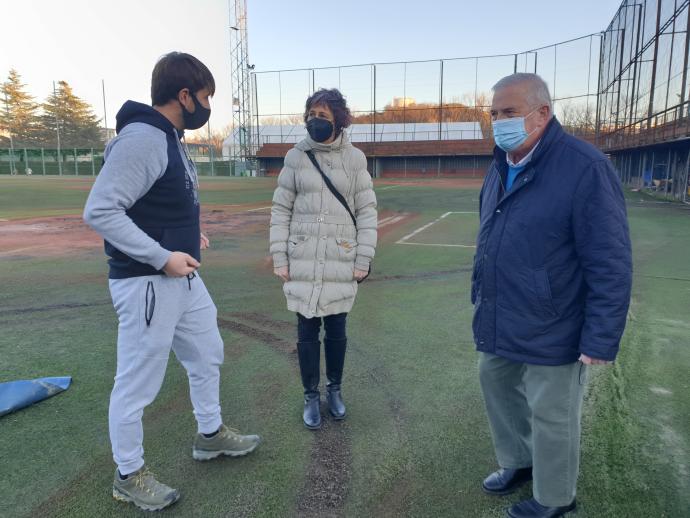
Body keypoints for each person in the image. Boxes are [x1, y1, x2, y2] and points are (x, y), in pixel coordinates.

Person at [83, 52, 260, 512]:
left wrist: (184, 235)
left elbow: (155, 203)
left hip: (180, 279)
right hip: (146, 282)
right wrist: (162, 254)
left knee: (207, 353)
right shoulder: (143, 138)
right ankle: (128, 474)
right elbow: (100, 211)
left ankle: (210, 435)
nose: (207, 106)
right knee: (137, 383)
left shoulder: (170, 137)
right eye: (205, 97)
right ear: (184, 95)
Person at [471, 73, 632, 518]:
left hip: (555, 319)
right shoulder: (501, 161)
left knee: (552, 413)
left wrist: (600, 339)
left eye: (509, 112)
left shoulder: (585, 167)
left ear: (542, 113)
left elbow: (610, 260)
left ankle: (555, 498)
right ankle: (518, 461)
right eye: (494, 114)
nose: (499, 122)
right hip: (501, 311)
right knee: (497, 385)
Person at [269, 88, 377, 430]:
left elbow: (367, 211)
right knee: (305, 330)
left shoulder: (355, 159)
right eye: (311, 115)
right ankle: (310, 396)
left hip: (340, 258)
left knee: (336, 329)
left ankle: (335, 390)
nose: (315, 122)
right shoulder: (295, 156)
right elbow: (280, 208)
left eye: (323, 117)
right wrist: (279, 255)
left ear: (339, 120)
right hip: (302, 256)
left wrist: (363, 257)